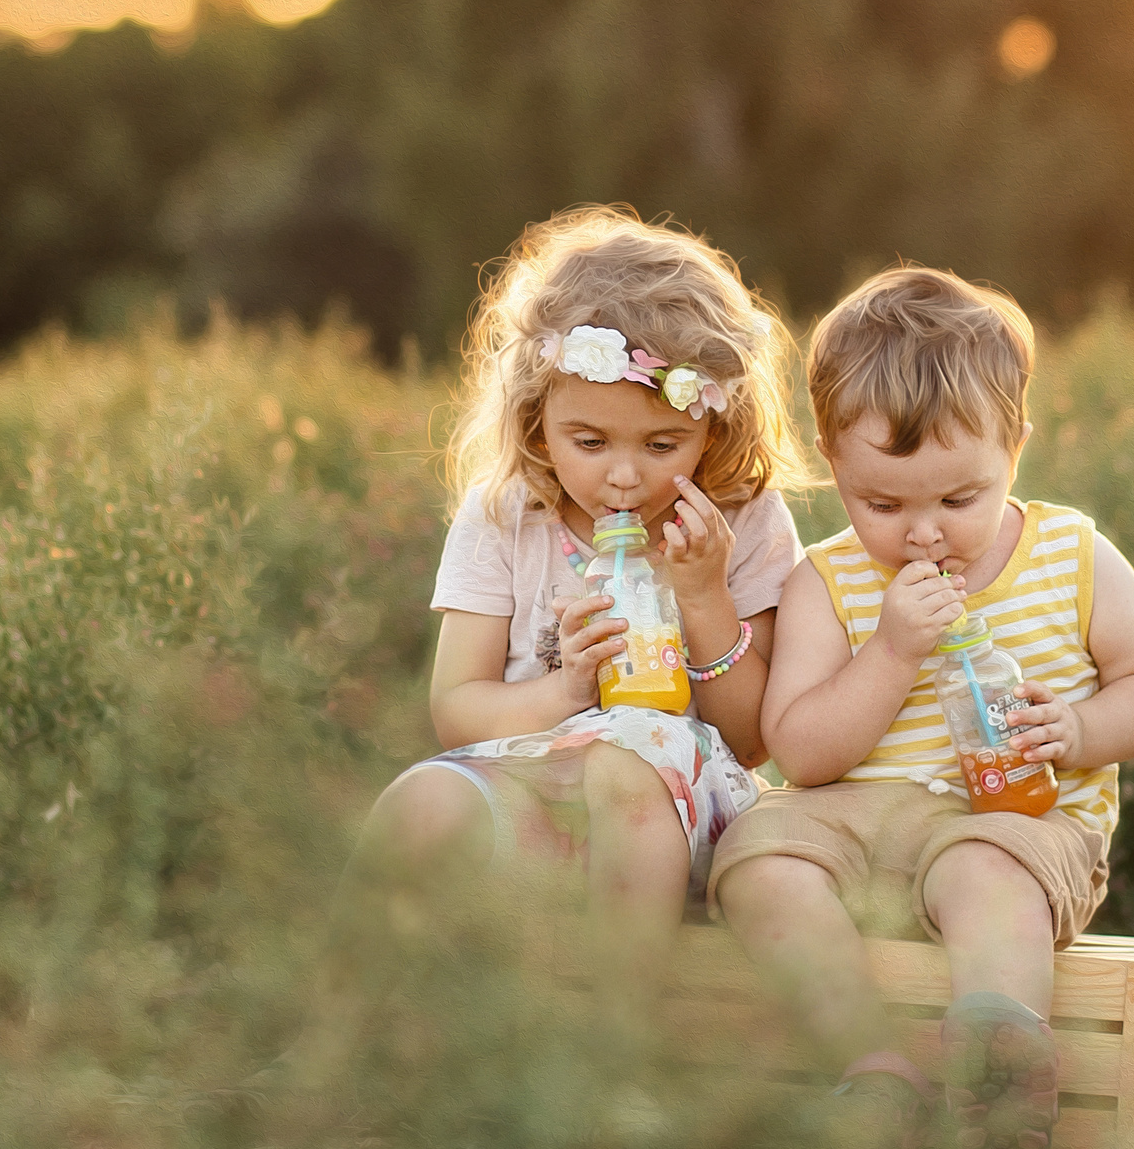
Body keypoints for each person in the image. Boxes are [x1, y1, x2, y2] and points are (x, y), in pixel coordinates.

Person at [709, 267, 1134, 1149]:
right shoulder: (828, 580)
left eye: (958, 499)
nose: (922, 533)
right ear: (833, 459)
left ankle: (997, 1057)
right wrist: (890, 651)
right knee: (759, 857)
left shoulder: (1069, 553)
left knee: (981, 864)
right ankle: (872, 1068)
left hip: (1017, 819)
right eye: (883, 504)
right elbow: (802, 754)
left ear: (1016, 444)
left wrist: (1083, 730)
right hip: (858, 822)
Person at [327, 207, 807, 1053]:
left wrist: (703, 598)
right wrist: (566, 690)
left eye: (664, 442)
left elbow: (754, 736)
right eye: (588, 440)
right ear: (535, 417)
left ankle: (610, 1052)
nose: (624, 475)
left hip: (676, 807)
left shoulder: (740, 522)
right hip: (537, 788)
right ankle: (335, 1032)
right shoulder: (506, 517)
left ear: (714, 426)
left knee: (624, 768)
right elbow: (457, 709)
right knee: (420, 799)